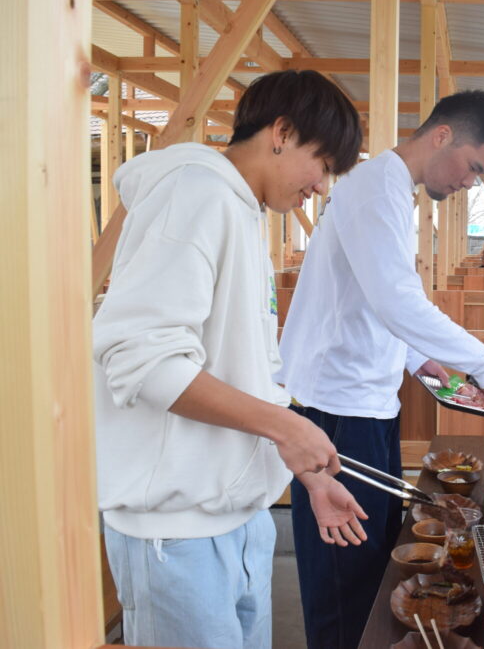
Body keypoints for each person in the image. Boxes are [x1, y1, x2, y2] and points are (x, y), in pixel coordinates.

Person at [93, 70, 368, 649]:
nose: (320, 186)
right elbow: (141, 359)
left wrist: (310, 474)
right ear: (281, 132)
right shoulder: (193, 191)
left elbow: (247, 371)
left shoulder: (242, 209)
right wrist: (287, 425)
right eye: (321, 163)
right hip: (175, 534)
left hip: (238, 521)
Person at [276, 89, 484, 649]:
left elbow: (368, 301)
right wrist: (483, 363)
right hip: (336, 411)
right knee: (344, 583)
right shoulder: (374, 187)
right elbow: (395, 299)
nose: (469, 183)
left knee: (373, 567)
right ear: (441, 136)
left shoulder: (389, 191)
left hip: (366, 406)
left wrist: (421, 359)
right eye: (473, 166)